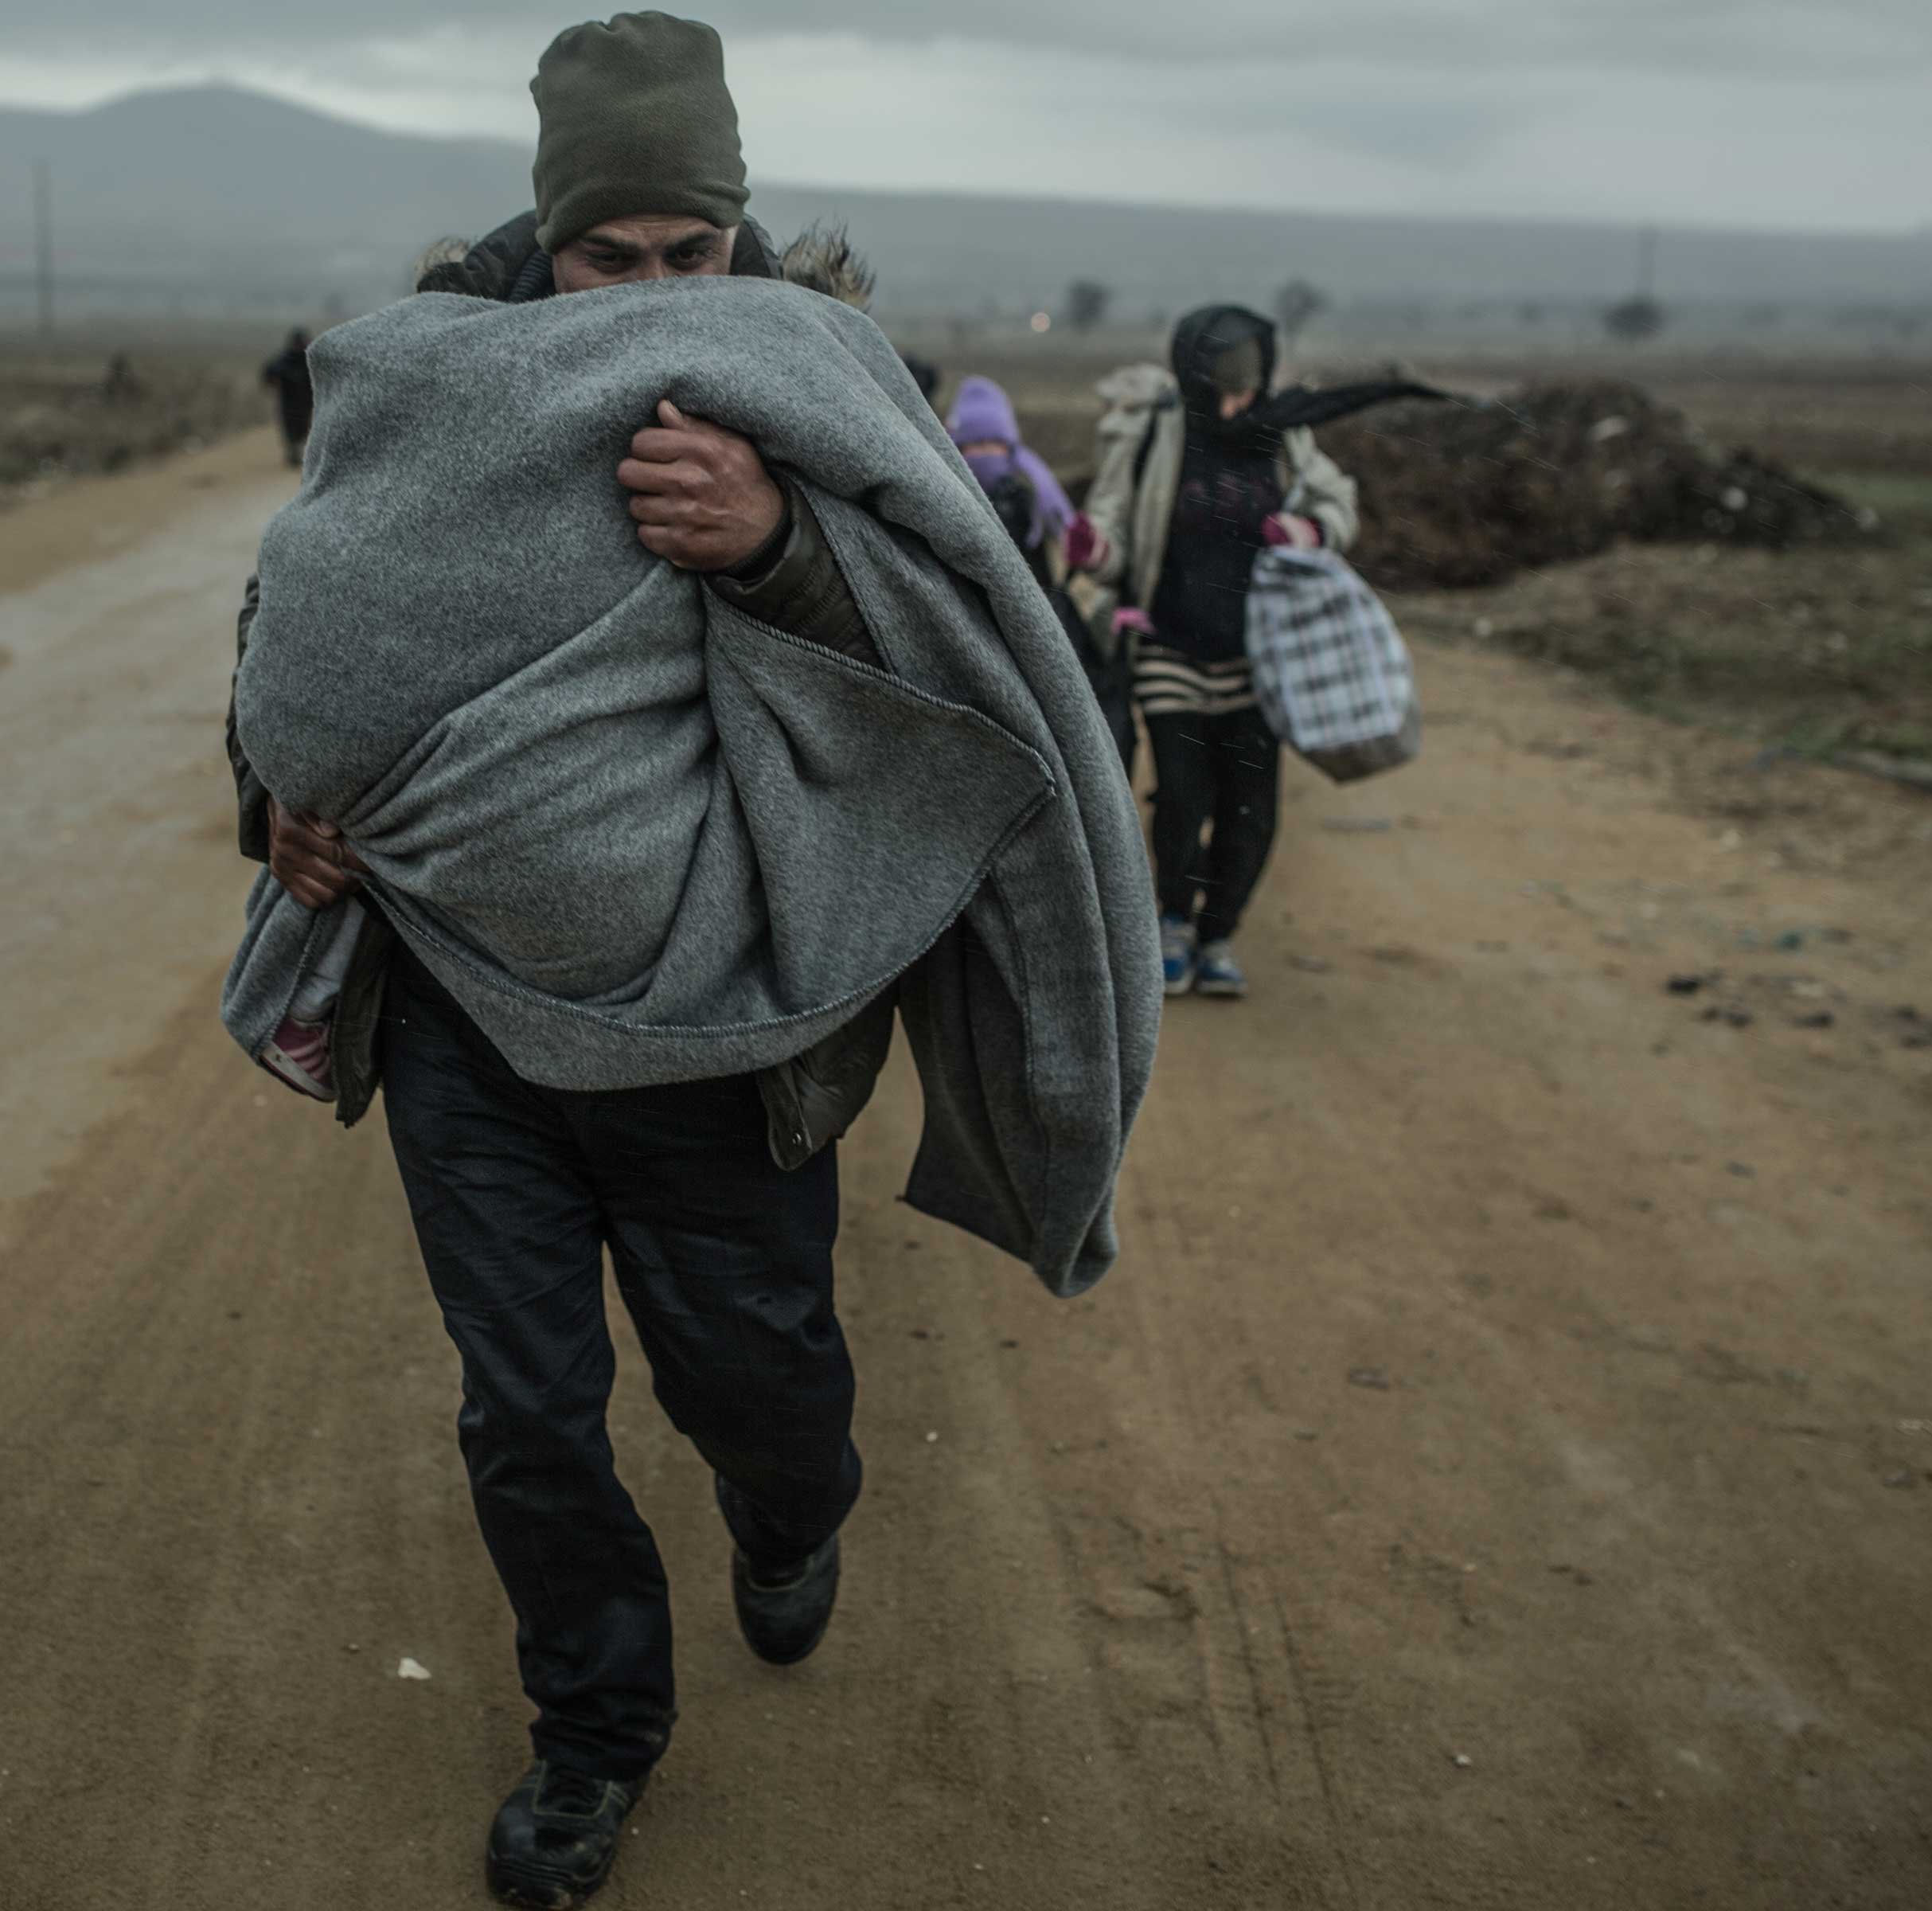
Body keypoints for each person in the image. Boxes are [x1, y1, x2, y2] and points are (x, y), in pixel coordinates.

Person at [224, 17, 1149, 1906]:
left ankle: (789, 1505)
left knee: (764, 1380)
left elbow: (972, 642)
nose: (648, 296)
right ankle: (594, 1731)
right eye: (604, 258)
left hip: (727, 1027)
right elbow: (306, 630)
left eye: (686, 256)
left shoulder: (806, 376)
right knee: (530, 1402)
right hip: (461, 1012)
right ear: (543, 238)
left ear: (733, 236)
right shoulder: (436, 389)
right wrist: (278, 806)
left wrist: (781, 542)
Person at [1080, 304, 1433, 998]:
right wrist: (1097, 550)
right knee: (1182, 796)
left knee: (1251, 808)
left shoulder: (1283, 434)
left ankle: (1219, 935)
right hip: (1169, 647)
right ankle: (1174, 923)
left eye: (1249, 386)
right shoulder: (1156, 430)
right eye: (1225, 387)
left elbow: (1339, 502)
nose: (1239, 401)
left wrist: (1310, 529)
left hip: (1264, 658)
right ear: (1195, 378)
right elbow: (1110, 518)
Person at [946, 373, 1134, 772]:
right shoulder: (946, 503)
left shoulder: (1038, 497)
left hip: (1049, 622)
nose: (984, 455)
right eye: (973, 446)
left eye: (992, 444)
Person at [261, 326, 315, 466]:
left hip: (306, 401)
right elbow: (270, 373)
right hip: (289, 401)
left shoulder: (311, 359)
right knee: (290, 428)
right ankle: (293, 452)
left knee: (304, 427)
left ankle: (300, 451)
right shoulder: (284, 360)